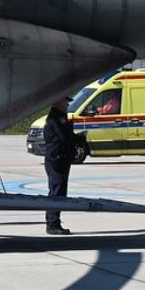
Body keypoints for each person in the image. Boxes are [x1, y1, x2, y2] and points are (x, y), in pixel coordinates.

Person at [43, 96, 80, 235]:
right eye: (65, 101)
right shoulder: (55, 118)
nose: (68, 104)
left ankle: (54, 223)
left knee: (59, 192)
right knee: (56, 192)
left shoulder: (60, 117)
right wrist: (78, 138)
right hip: (56, 160)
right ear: (58, 102)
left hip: (61, 159)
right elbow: (65, 137)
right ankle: (52, 225)